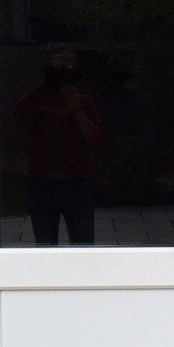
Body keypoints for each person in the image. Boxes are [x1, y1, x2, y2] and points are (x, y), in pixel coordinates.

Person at [13, 44, 103, 245]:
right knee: (45, 246)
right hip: (42, 183)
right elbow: (18, 114)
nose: (62, 71)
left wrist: (75, 106)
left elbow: (95, 139)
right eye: (57, 65)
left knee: (83, 246)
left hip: (76, 182)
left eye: (67, 66)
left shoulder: (83, 101)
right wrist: (46, 83)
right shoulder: (37, 100)